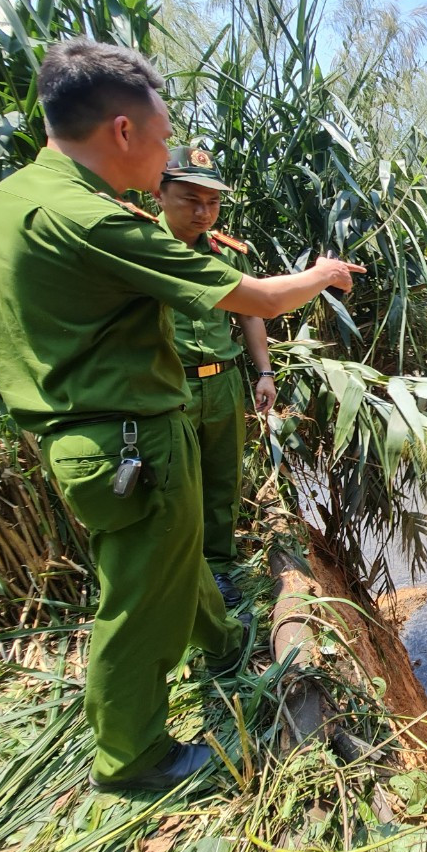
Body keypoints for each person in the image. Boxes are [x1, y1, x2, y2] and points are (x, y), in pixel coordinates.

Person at [0, 38, 364, 793]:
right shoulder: (92, 220)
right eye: (160, 142)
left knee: (176, 560)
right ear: (122, 132)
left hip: (116, 429)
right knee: (141, 596)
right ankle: (133, 757)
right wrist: (321, 275)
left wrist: (259, 373)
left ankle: (220, 646)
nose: (165, 162)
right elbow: (254, 298)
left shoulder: (15, 199)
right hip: (126, 437)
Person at [154, 148, 272, 608]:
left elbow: (251, 313)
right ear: (160, 194)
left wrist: (263, 372)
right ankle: (178, 575)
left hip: (223, 381)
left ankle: (219, 569)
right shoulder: (143, 247)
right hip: (169, 385)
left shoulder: (226, 253)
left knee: (222, 480)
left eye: (213, 202)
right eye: (190, 199)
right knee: (173, 485)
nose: (203, 212)